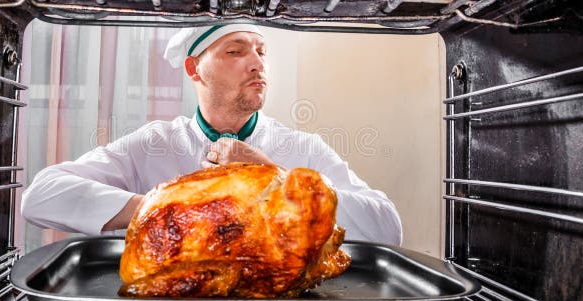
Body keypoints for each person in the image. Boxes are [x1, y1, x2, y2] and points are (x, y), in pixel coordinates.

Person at [22, 24, 402, 244]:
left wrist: (275, 181)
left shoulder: (302, 149)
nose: (257, 63)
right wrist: (175, 208)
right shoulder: (153, 145)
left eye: (260, 51)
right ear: (193, 69)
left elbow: (387, 228)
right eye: (235, 51)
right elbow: (41, 196)